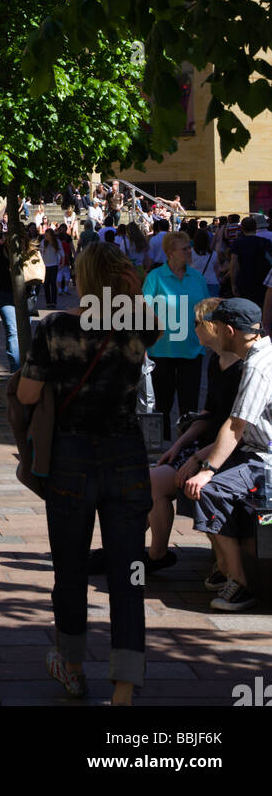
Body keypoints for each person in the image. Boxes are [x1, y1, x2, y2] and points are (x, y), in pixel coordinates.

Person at [17, 242, 160, 706]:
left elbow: (29, 393)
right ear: (118, 278)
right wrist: (132, 287)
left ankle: (73, 667)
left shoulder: (55, 327)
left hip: (70, 457)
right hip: (126, 456)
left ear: (78, 276)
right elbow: (153, 323)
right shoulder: (135, 324)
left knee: (71, 568)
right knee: (128, 574)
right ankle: (123, 688)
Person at [179, 299, 270, 611]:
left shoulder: (257, 367)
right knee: (198, 484)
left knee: (210, 489)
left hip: (264, 458)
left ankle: (240, 582)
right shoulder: (261, 353)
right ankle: (224, 567)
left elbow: (235, 427)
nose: (212, 332)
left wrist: (206, 469)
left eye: (215, 328)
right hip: (253, 452)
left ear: (229, 331)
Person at [145, 298, 245, 570]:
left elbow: (238, 433)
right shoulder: (215, 362)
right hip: (205, 446)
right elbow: (209, 414)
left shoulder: (243, 369)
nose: (193, 329)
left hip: (228, 451)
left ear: (214, 327)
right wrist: (178, 445)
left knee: (160, 482)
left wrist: (198, 459)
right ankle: (156, 554)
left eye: (196, 323)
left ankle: (223, 565)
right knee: (152, 479)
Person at [142, 231, 209, 437]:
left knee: (189, 405)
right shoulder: (155, 277)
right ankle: (162, 449)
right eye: (185, 248)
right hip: (161, 350)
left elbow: (206, 311)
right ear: (170, 252)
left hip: (192, 349)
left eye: (190, 247)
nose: (190, 251)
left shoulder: (197, 277)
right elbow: (143, 311)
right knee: (162, 402)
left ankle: (185, 446)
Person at [0, 226, 35, 372]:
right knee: (12, 330)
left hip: (26, 295)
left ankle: (27, 368)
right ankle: (16, 370)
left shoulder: (29, 252)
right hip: (4, 294)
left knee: (26, 331)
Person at [228, 217, 272, 308]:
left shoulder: (238, 243)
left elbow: (234, 265)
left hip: (244, 280)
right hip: (262, 281)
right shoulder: (265, 242)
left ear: (242, 228)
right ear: (256, 227)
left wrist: (233, 283)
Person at [189, 227, 219, 295]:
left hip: (194, 282)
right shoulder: (214, 254)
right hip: (211, 282)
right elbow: (217, 270)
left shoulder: (189, 252)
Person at [41, 229, 61, 309]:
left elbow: (61, 252)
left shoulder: (57, 242)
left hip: (54, 264)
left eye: (47, 235)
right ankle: (48, 302)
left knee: (53, 283)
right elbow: (41, 253)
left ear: (51, 235)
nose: (46, 237)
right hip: (45, 265)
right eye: (45, 235)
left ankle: (54, 302)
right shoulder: (43, 242)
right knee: (46, 284)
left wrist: (61, 262)